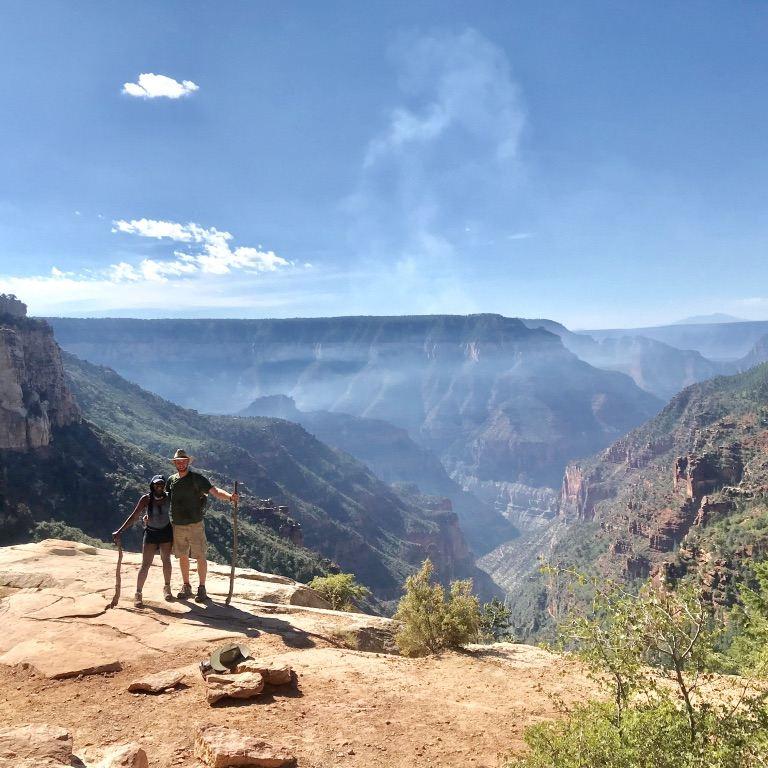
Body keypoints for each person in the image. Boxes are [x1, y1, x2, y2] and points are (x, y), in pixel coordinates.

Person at [165, 449, 238, 603]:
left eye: (184, 461)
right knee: (182, 555)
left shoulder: (197, 479)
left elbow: (215, 491)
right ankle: (186, 586)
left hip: (195, 524)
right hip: (177, 524)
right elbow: (165, 500)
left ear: (188, 463)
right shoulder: (171, 480)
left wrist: (230, 497)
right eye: (178, 462)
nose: (181, 464)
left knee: (200, 555)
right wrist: (151, 514)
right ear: (175, 464)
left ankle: (202, 588)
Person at [112, 474, 174, 608]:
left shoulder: (169, 497)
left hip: (166, 532)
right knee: (145, 564)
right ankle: (138, 593)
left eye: (162, 484)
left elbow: (182, 505)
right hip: (151, 533)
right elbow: (134, 516)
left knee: (166, 560)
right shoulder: (146, 499)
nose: (159, 487)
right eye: (157, 484)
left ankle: (167, 588)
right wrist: (120, 530)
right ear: (152, 485)